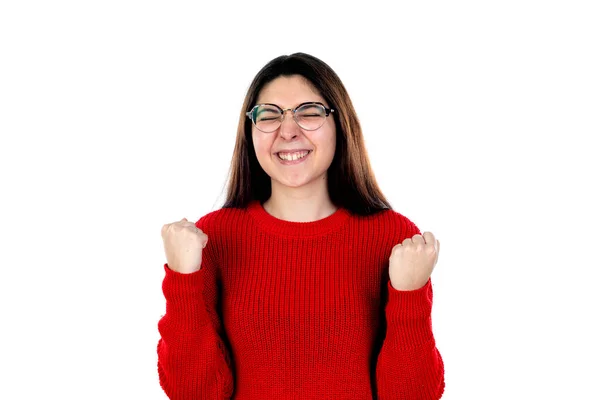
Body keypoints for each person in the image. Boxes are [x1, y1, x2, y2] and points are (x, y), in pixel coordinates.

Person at [158, 52, 445, 399]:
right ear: (250, 131)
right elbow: (193, 393)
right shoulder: (212, 239)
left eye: (309, 113)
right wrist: (183, 279)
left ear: (340, 123)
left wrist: (409, 297)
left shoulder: (393, 238)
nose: (288, 131)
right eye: (269, 115)